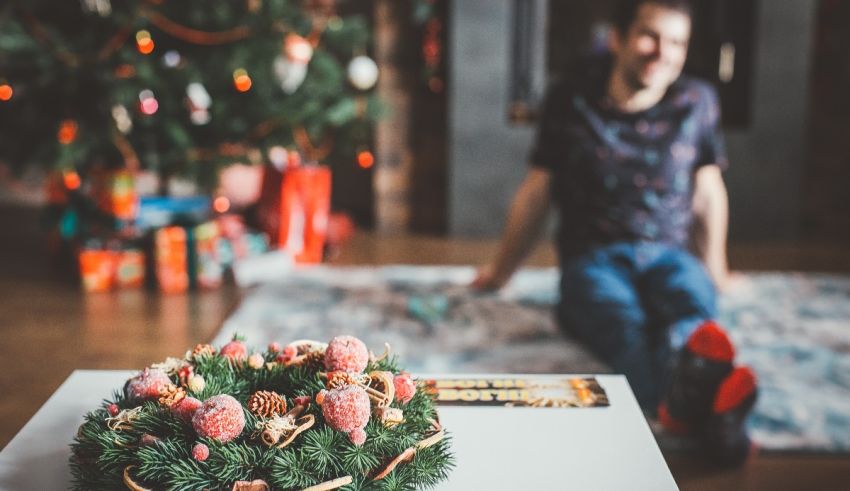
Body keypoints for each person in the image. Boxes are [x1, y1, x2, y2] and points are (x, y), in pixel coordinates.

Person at [474, 0, 757, 466]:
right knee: (622, 325)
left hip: (670, 252)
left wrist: (719, 271)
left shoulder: (697, 100)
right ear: (617, 38)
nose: (662, 52)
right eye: (649, 36)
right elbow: (536, 193)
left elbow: (708, 193)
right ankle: (711, 414)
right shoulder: (571, 98)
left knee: (692, 314)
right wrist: (500, 273)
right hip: (594, 256)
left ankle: (688, 411)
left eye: (677, 43)